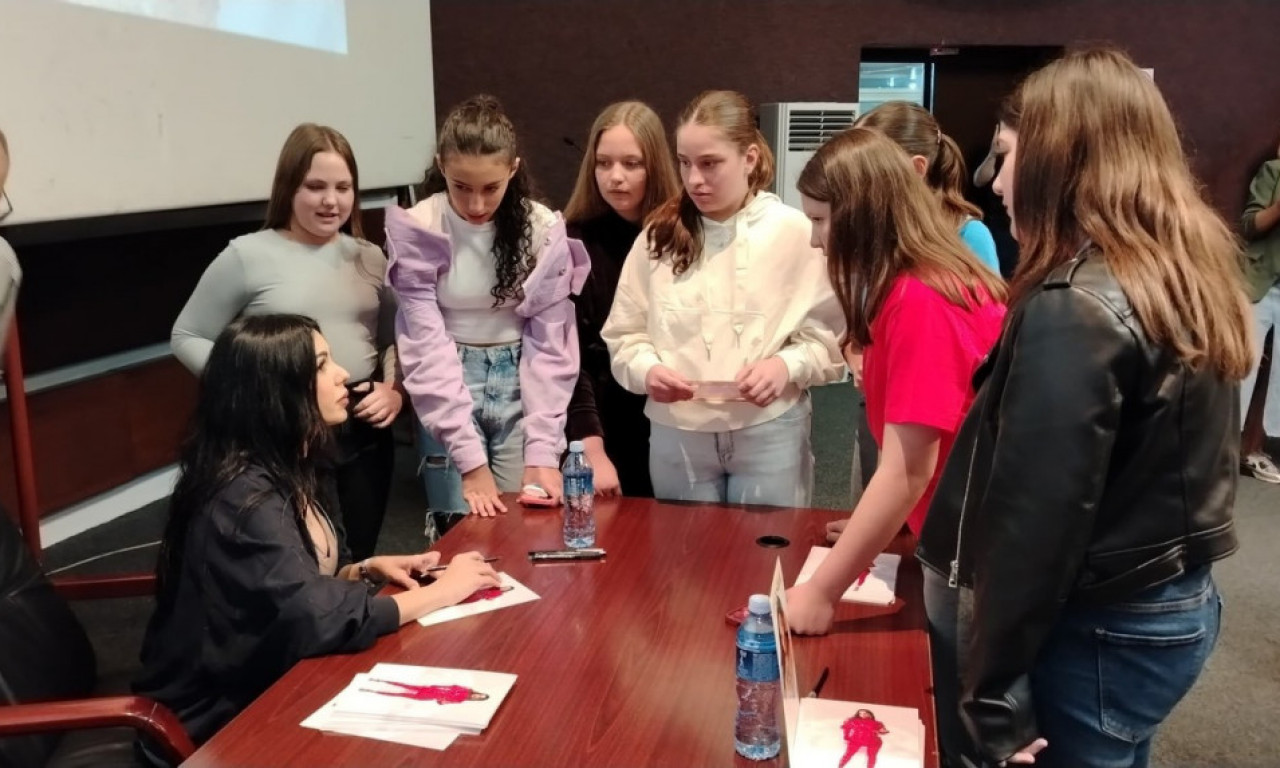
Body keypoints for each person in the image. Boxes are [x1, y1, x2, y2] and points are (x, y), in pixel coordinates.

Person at [917, 48, 1250, 768]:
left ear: (1060, 158)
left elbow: (1036, 524)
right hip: (1170, 603)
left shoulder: (1078, 305)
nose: (995, 182)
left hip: (1100, 624)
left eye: (1007, 156)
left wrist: (993, 698)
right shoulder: (1180, 269)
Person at [134, 315, 500, 756]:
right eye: (322, 365)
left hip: (279, 674)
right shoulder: (241, 495)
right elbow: (315, 618)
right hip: (218, 721)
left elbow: (291, 585)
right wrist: (445, 591)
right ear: (276, 390)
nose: (343, 373)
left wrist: (364, 569)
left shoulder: (300, 458)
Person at [784, 128, 1005, 638]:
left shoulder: (922, 299)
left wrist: (821, 592)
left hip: (968, 549)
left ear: (863, 215)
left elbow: (908, 470)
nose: (816, 240)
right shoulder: (918, 282)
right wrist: (871, 526)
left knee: (952, 678)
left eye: (820, 220)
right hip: (959, 531)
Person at [170, 123, 401, 562]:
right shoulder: (246, 255)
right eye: (315, 186)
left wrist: (394, 391)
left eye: (343, 187)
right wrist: (256, 392)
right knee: (299, 561)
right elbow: (187, 335)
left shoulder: (370, 257)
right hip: (284, 432)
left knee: (360, 557)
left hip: (361, 426)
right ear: (288, 187)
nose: (330, 200)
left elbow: (394, 338)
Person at [601, 90, 844, 506]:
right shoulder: (659, 236)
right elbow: (625, 334)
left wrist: (785, 365)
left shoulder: (795, 232)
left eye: (710, 163)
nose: (694, 179)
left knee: (767, 545)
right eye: (684, 163)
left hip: (769, 428)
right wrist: (647, 370)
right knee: (683, 545)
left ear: (749, 158)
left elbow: (829, 338)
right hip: (678, 432)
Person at [386, 95, 589, 538]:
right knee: (462, 534)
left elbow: (552, 346)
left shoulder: (541, 228)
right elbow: (424, 345)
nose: (476, 204)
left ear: (513, 170)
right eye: (461, 186)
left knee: (524, 527)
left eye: (491, 188)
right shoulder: (419, 225)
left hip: (522, 381)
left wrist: (542, 449)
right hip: (447, 380)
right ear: (441, 166)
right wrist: (468, 459)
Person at [563, 100, 680, 497]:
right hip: (600, 418)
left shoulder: (681, 235)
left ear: (655, 166)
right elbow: (571, 356)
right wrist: (591, 447)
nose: (615, 177)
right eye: (603, 163)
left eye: (631, 164)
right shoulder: (575, 240)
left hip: (671, 415)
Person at [856, 101, 1001, 274]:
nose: (854, 179)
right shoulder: (865, 228)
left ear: (917, 168)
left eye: (866, 167)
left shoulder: (969, 235)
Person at [1238, 136, 1280, 483]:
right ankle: (1225, 450)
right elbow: (1249, 225)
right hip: (1262, 284)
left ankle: (1265, 450)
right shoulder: (1273, 171)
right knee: (1243, 367)